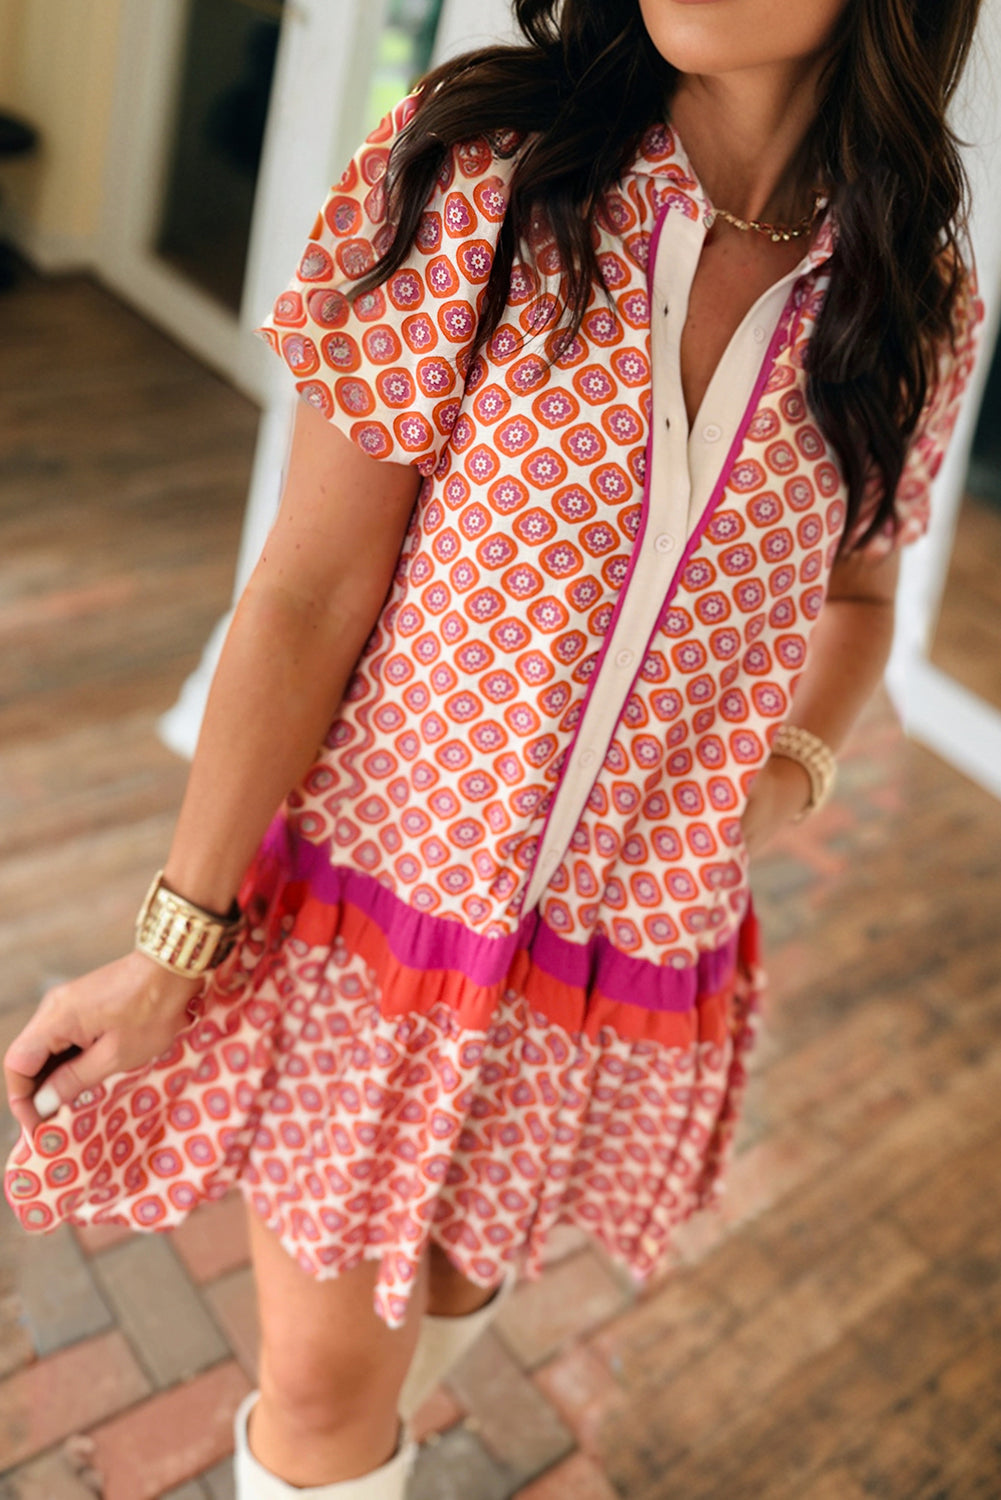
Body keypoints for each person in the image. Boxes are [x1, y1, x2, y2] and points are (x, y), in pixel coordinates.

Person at [3, 1, 985, 1496]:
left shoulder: (910, 297)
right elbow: (304, 595)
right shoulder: (490, 178)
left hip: (614, 963)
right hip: (375, 918)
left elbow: (858, 589)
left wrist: (795, 766)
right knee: (326, 1391)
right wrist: (170, 946)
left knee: (454, 1297)